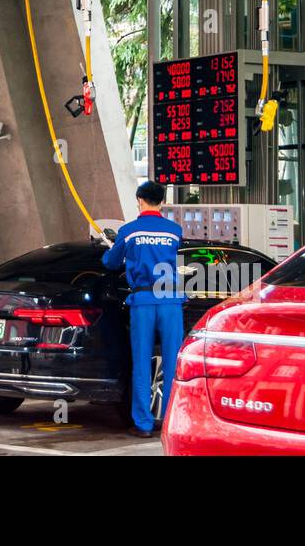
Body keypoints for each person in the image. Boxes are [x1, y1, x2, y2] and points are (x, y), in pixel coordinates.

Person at [101, 180, 184, 438]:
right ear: (162, 202)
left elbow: (111, 263)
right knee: (173, 363)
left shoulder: (129, 231)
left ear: (139, 200)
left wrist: (112, 247)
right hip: (170, 301)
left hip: (144, 302)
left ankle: (144, 424)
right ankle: (171, 422)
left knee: (141, 362)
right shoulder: (174, 230)